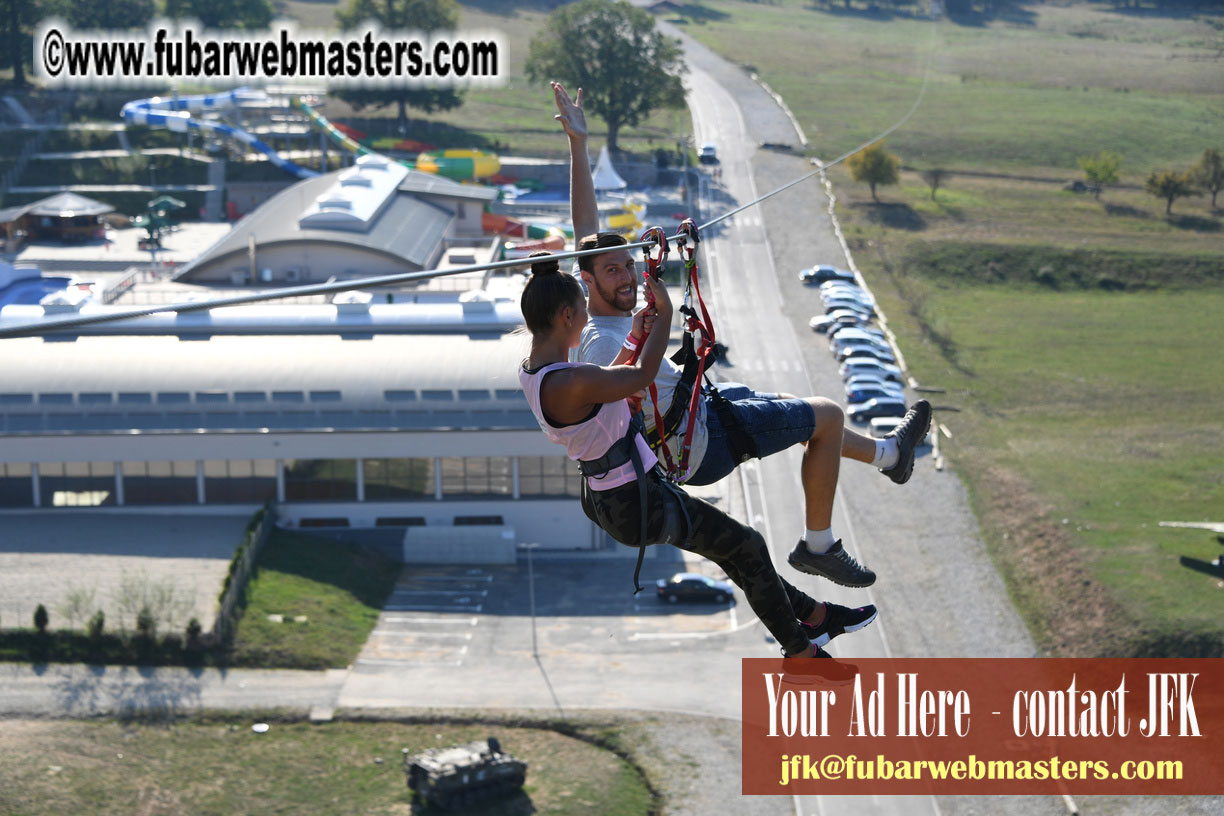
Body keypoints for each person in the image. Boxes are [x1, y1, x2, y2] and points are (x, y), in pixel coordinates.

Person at [550, 81, 931, 590]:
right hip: (699, 442)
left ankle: (889, 455)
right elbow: (629, 388)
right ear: (588, 280)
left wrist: (578, 144)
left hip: (702, 409)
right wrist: (661, 318)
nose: (627, 278)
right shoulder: (600, 341)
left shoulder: (598, 292)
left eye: (628, 266)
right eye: (613, 271)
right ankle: (819, 546)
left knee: (801, 413)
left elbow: (586, 232)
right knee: (826, 416)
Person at [518, 252, 877, 659]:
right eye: (583, 309)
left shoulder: (536, 372)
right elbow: (639, 376)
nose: (587, 317)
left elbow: (606, 380)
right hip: (632, 501)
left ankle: (815, 616)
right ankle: (801, 654)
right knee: (748, 545)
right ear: (566, 316)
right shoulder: (569, 381)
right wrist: (665, 314)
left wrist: (634, 336)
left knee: (735, 550)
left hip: (622, 494)